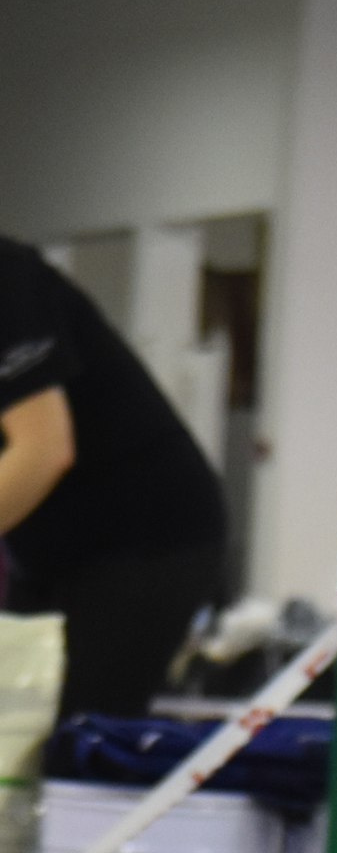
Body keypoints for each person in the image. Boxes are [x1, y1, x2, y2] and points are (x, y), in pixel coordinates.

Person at [0, 235, 227, 719]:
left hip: (149, 538)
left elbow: (42, 450)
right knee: (16, 731)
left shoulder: (8, 276)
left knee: (74, 741)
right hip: (50, 555)